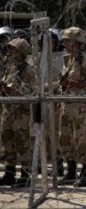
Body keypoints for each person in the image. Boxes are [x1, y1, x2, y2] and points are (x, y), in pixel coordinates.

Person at [58, 26, 86, 187]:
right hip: (67, 103)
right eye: (65, 41)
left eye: (68, 41)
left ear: (77, 43)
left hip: (81, 105)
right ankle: (71, 172)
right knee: (65, 139)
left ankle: (85, 174)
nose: (65, 44)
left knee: (82, 140)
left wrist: (69, 83)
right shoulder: (68, 59)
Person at [0, 38, 35, 188]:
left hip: (21, 112)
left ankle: (26, 174)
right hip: (8, 110)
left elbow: (29, 92)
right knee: (8, 140)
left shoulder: (27, 70)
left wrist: (11, 91)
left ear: (21, 53)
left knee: (22, 142)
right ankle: (10, 173)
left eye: (13, 50)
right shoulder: (10, 68)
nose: (10, 53)